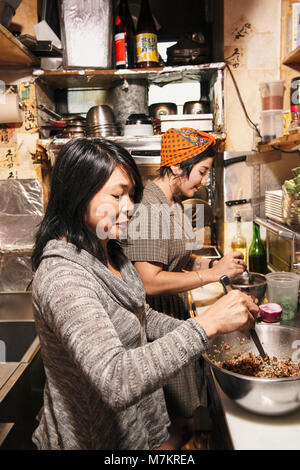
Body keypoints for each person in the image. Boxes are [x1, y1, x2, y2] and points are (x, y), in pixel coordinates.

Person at [31, 137, 257, 450]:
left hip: (132, 435)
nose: (130, 208)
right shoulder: (63, 277)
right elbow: (115, 380)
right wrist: (206, 326)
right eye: (117, 195)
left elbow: (142, 316)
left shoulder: (109, 252)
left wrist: (216, 326)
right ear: (78, 194)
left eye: (131, 195)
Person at [123, 128, 247, 430]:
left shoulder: (173, 203)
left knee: (184, 414)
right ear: (177, 167)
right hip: (156, 322)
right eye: (201, 172)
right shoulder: (150, 208)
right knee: (176, 421)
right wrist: (211, 275)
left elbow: (178, 257)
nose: (203, 180)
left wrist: (215, 263)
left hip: (174, 312)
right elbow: (148, 280)